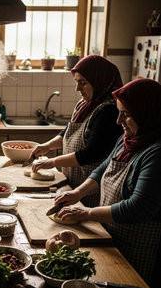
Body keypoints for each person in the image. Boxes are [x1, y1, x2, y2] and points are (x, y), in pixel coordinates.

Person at [54, 79, 161, 288]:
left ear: (147, 113)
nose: (118, 120)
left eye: (126, 114)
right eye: (119, 112)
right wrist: (77, 193)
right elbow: (104, 168)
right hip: (112, 237)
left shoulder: (156, 153)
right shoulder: (129, 139)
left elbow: (137, 207)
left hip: (138, 249)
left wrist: (86, 213)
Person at [31, 55, 123, 207]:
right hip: (73, 186)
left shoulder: (109, 110)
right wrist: (47, 146)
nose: (77, 88)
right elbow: (69, 132)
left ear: (99, 81)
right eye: (76, 82)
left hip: (89, 192)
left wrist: (52, 162)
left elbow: (91, 153)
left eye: (83, 83)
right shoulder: (86, 103)